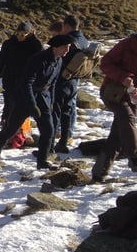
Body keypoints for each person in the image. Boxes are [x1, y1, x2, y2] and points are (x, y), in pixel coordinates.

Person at [0, 34, 73, 171]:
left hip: (44, 97)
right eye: (65, 47)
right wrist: (32, 104)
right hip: (25, 97)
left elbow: (53, 83)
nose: (67, 50)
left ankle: (42, 161)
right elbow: (26, 82)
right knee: (12, 128)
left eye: (68, 47)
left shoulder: (59, 61)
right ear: (56, 47)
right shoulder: (38, 59)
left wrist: (50, 102)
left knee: (48, 129)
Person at [92, 34, 137, 182]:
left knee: (117, 136)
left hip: (133, 97)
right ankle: (134, 156)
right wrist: (123, 76)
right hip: (113, 93)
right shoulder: (127, 44)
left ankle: (99, 173)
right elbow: (105, 63)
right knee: (127, 117)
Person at [0, 21, 44, 126]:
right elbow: (1, 60)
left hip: (25, 80)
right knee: (9, 102)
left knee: (19, 104)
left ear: (29, 34)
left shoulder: (35, 45)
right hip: (10, 78)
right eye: (18, 34)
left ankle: (16, 127)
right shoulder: (9, 43)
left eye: (23, 34)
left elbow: (41, 61)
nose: (20, 37)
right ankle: (5, 123)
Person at [52, 14, 89, 153]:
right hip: (74, 80)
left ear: (67, 26)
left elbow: (58, 60)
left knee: (55, 112)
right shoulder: (84, 40)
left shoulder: (69, 41)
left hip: (62, 80)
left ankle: (49, 145)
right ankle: (64, 141)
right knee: (67, 111)